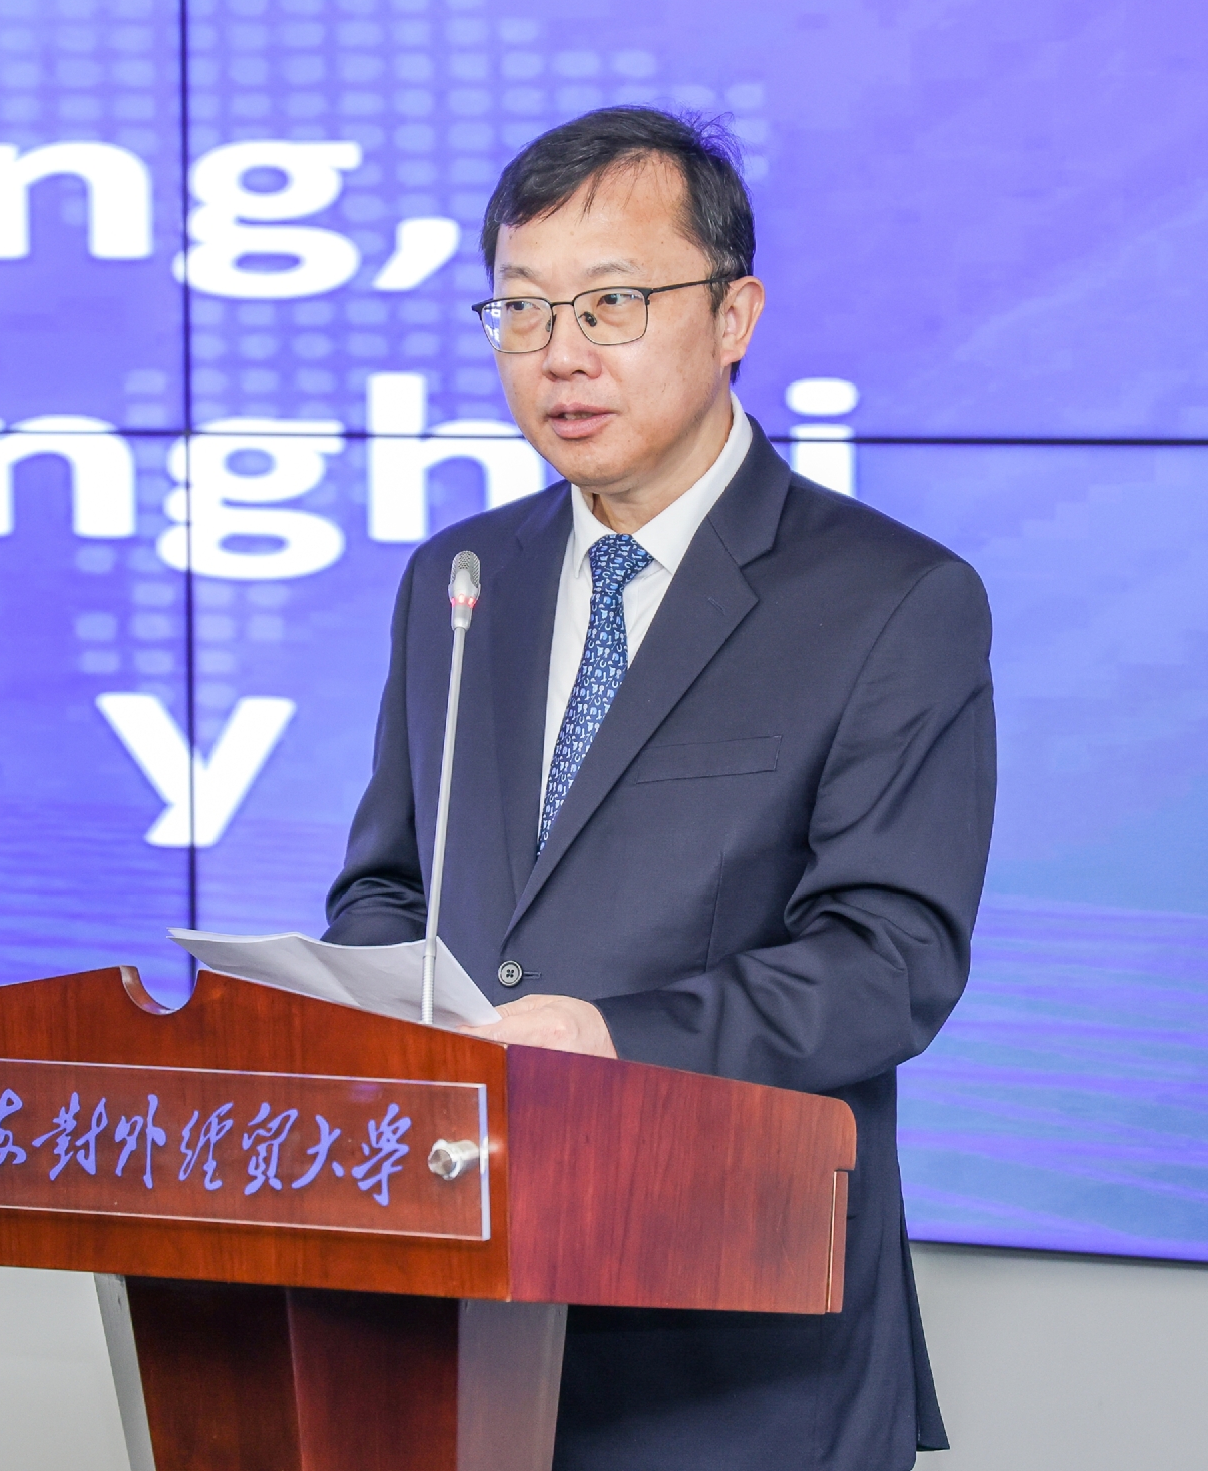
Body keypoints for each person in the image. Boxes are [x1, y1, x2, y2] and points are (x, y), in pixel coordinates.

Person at [323, 106, 996, 1471]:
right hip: (451, 1318)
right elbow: (393, 883)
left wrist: (611, 1043)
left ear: (734, 315)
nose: (560, 353)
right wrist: (376, 1009)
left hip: (732, 1341)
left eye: (611, 304)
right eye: (521, 309)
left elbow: (890, 963)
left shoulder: (889, 597)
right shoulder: (460, 577)